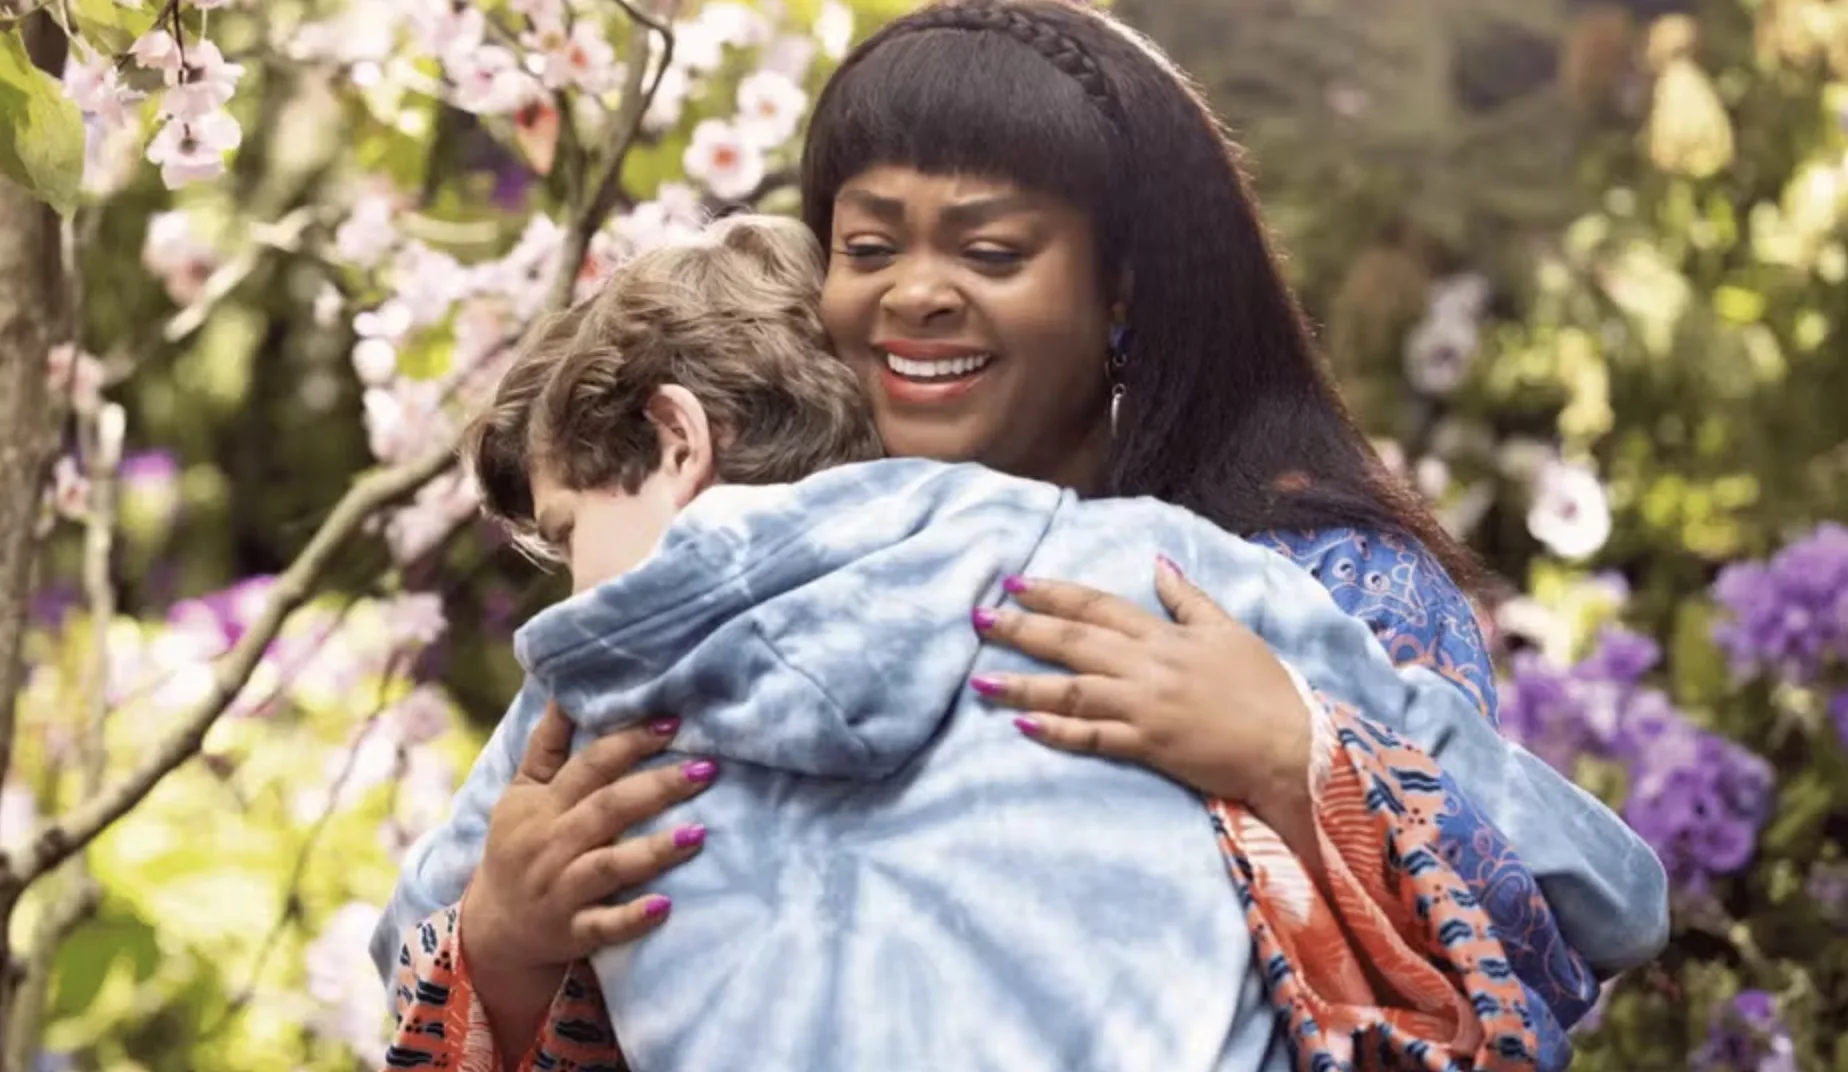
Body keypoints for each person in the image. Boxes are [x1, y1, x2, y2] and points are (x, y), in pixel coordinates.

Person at [373, 1, 1669, 1069]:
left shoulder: (1307, 584)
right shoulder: (697, 611)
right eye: (868, 245)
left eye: (990, 250)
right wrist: (505, 940)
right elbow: (511, 979)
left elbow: (1548, 957)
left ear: (1120, 288)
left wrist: (1292, 756)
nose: (917, 294)